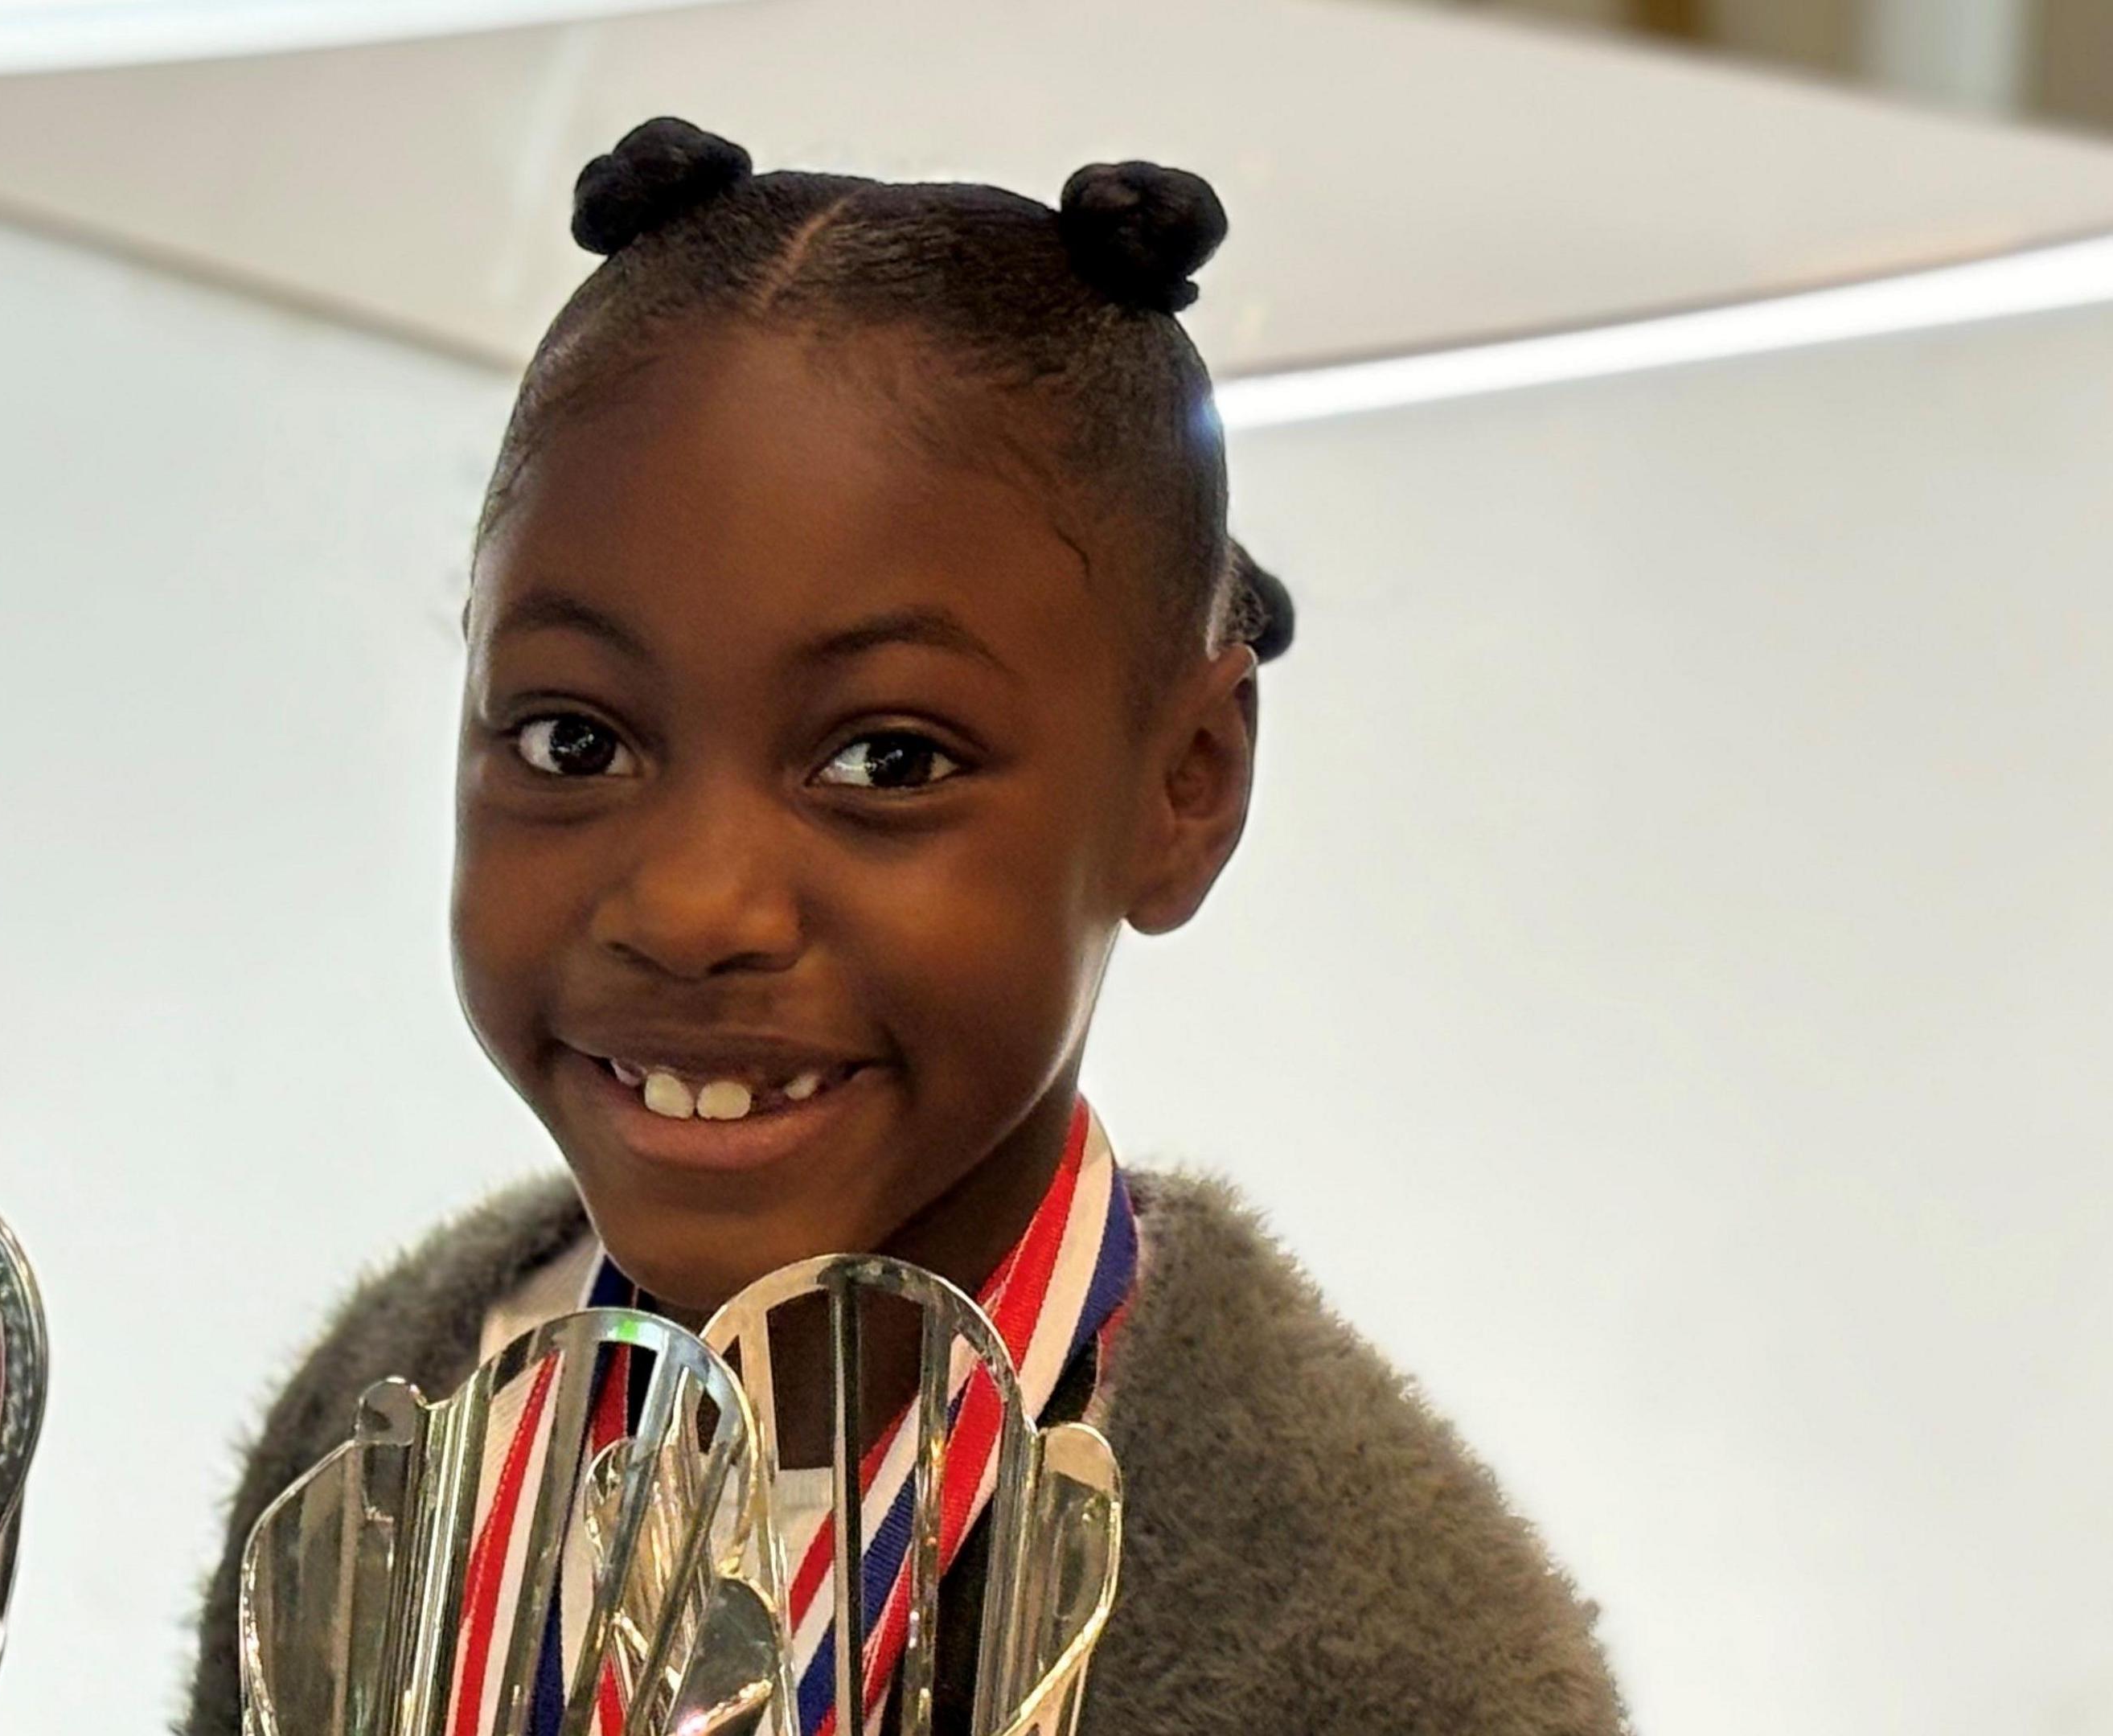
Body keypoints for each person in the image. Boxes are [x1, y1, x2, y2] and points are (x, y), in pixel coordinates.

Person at [185, 118, 1626, 1736]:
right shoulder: (396, 1411)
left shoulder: (1384, 1668)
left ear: (1187, 784)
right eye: (573, 740)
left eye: (887, 760)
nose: (692, 907)